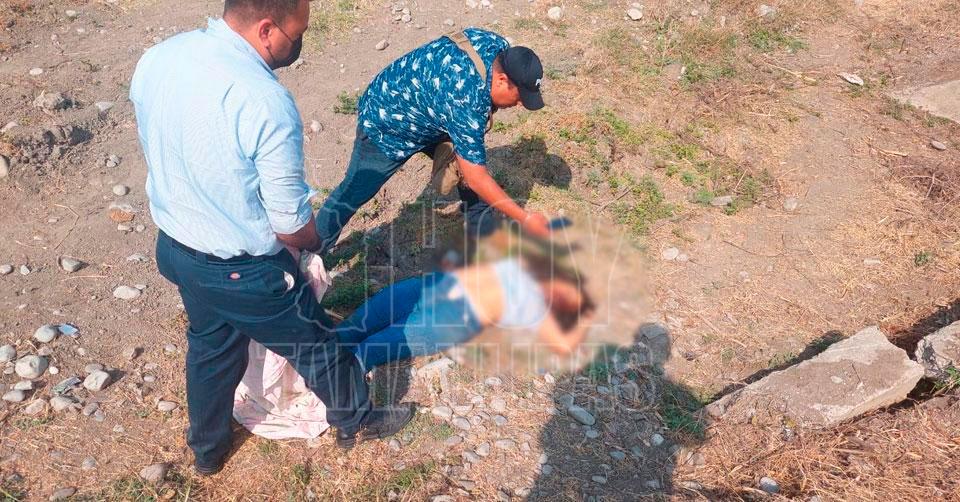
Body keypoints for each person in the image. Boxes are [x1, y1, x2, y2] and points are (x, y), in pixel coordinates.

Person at [129, 0, 412, 474]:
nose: (299, 45)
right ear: (266, 29)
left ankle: (207, 452)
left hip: (177, 247)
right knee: (317, 344)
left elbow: (155, 144)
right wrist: (312, 241)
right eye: (296, 35)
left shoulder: (161, 57)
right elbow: (289, 223)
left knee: (211, 347)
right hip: (240, 269)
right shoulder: (264, 100)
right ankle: (357, 421)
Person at [314, 28, 553, 255]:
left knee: (470, 161)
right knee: (352, 194)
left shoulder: (496, 46)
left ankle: (484, 233)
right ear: (501, 80)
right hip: (387, 122)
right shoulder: (466, 100)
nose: (519, 104)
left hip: (430, 105)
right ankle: (308, 252)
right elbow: (477, 178)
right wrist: (525, 218)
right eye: (519, 97)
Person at [336, 248, 596, 372]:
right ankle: (314, 362)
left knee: (367, 351)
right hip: (427, 288)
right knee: (351, 328)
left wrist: (587, 318)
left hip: (445, 323)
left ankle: (328, 390)